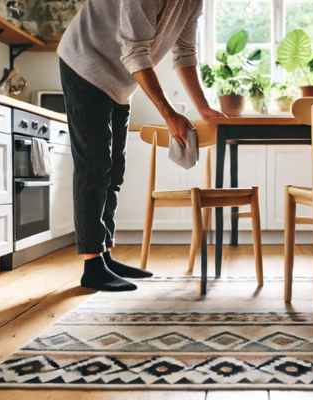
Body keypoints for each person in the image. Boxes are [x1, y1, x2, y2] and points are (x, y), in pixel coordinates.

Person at [58, 0, 225, 292]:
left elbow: (184, 53)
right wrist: (169, 114)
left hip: (121, 81)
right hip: (85, 63)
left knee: (114, 170)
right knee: (94, 166)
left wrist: (204, 107)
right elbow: (135, 50)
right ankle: (92, 265)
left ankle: (104, 254)